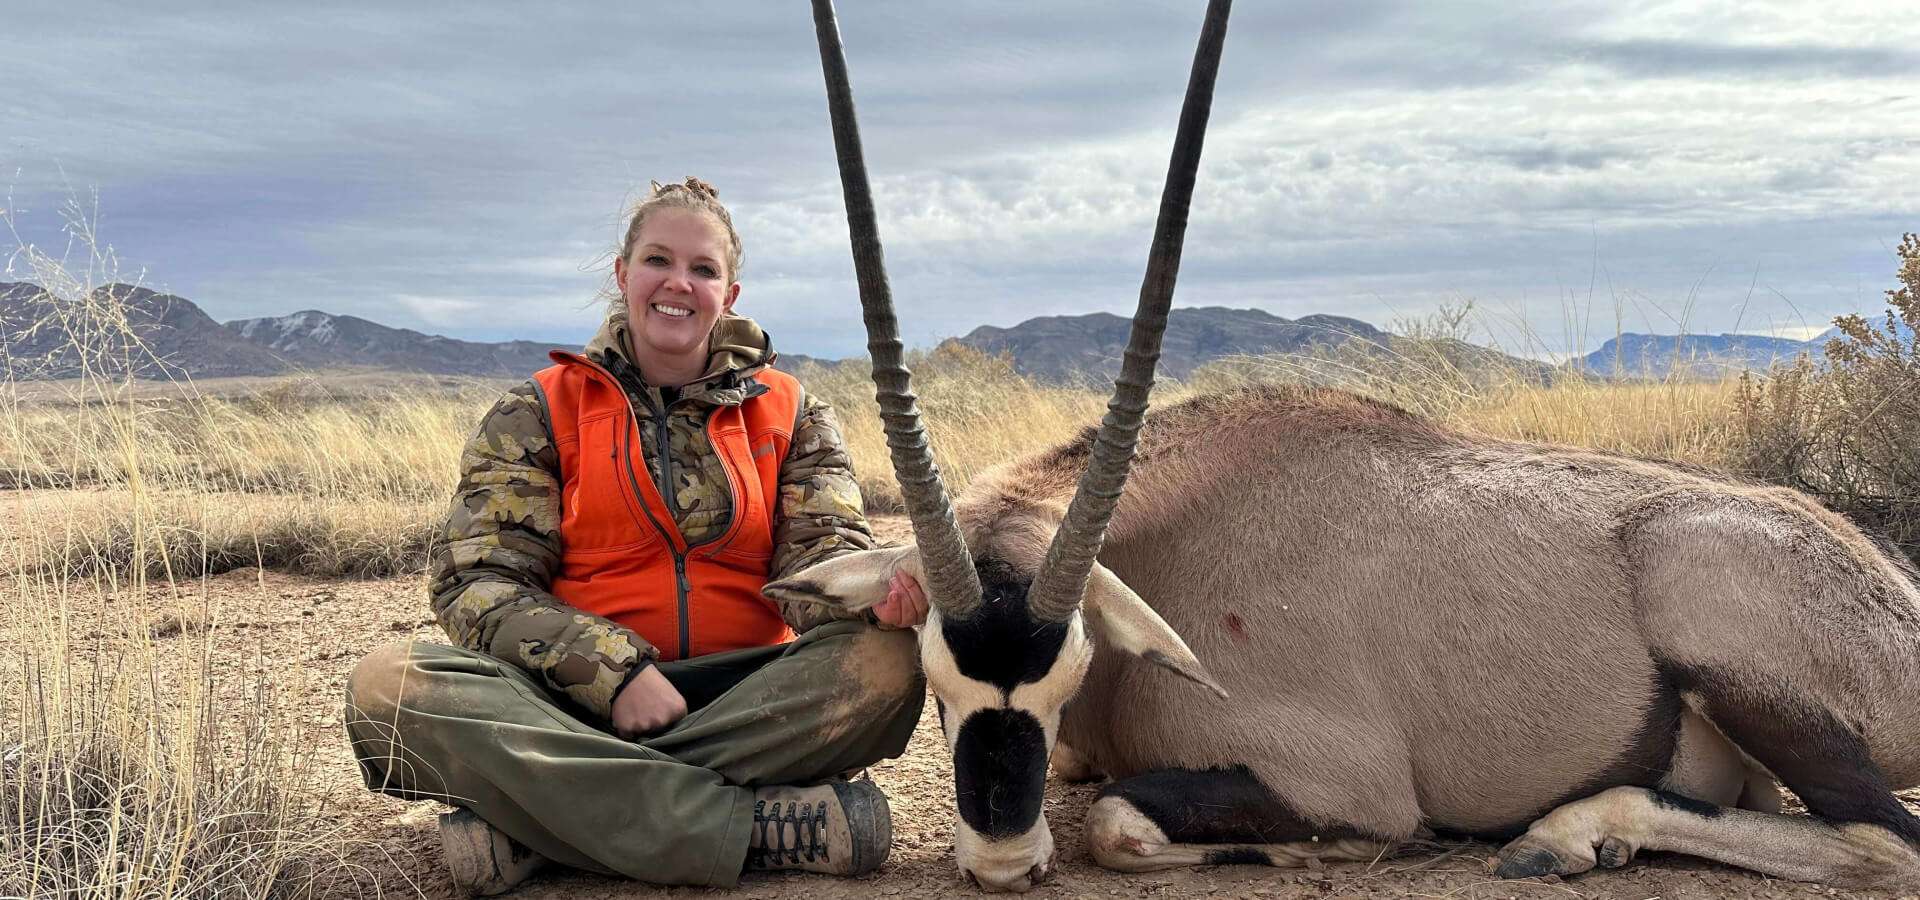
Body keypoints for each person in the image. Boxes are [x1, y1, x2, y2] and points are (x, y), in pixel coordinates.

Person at [343, 177, 930, 895]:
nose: (677, 283)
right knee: (387, 687)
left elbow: (822, 559)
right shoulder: (534, 409)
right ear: (624, 275)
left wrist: (873, 600)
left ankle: (542, 818)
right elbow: (476, 583)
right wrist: (610, 670)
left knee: (890, 662)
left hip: (748, 701)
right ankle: (752, 829)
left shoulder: (795, 411)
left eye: (703, 269)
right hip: (567, 705)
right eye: (658, 260)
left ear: (730, 295)